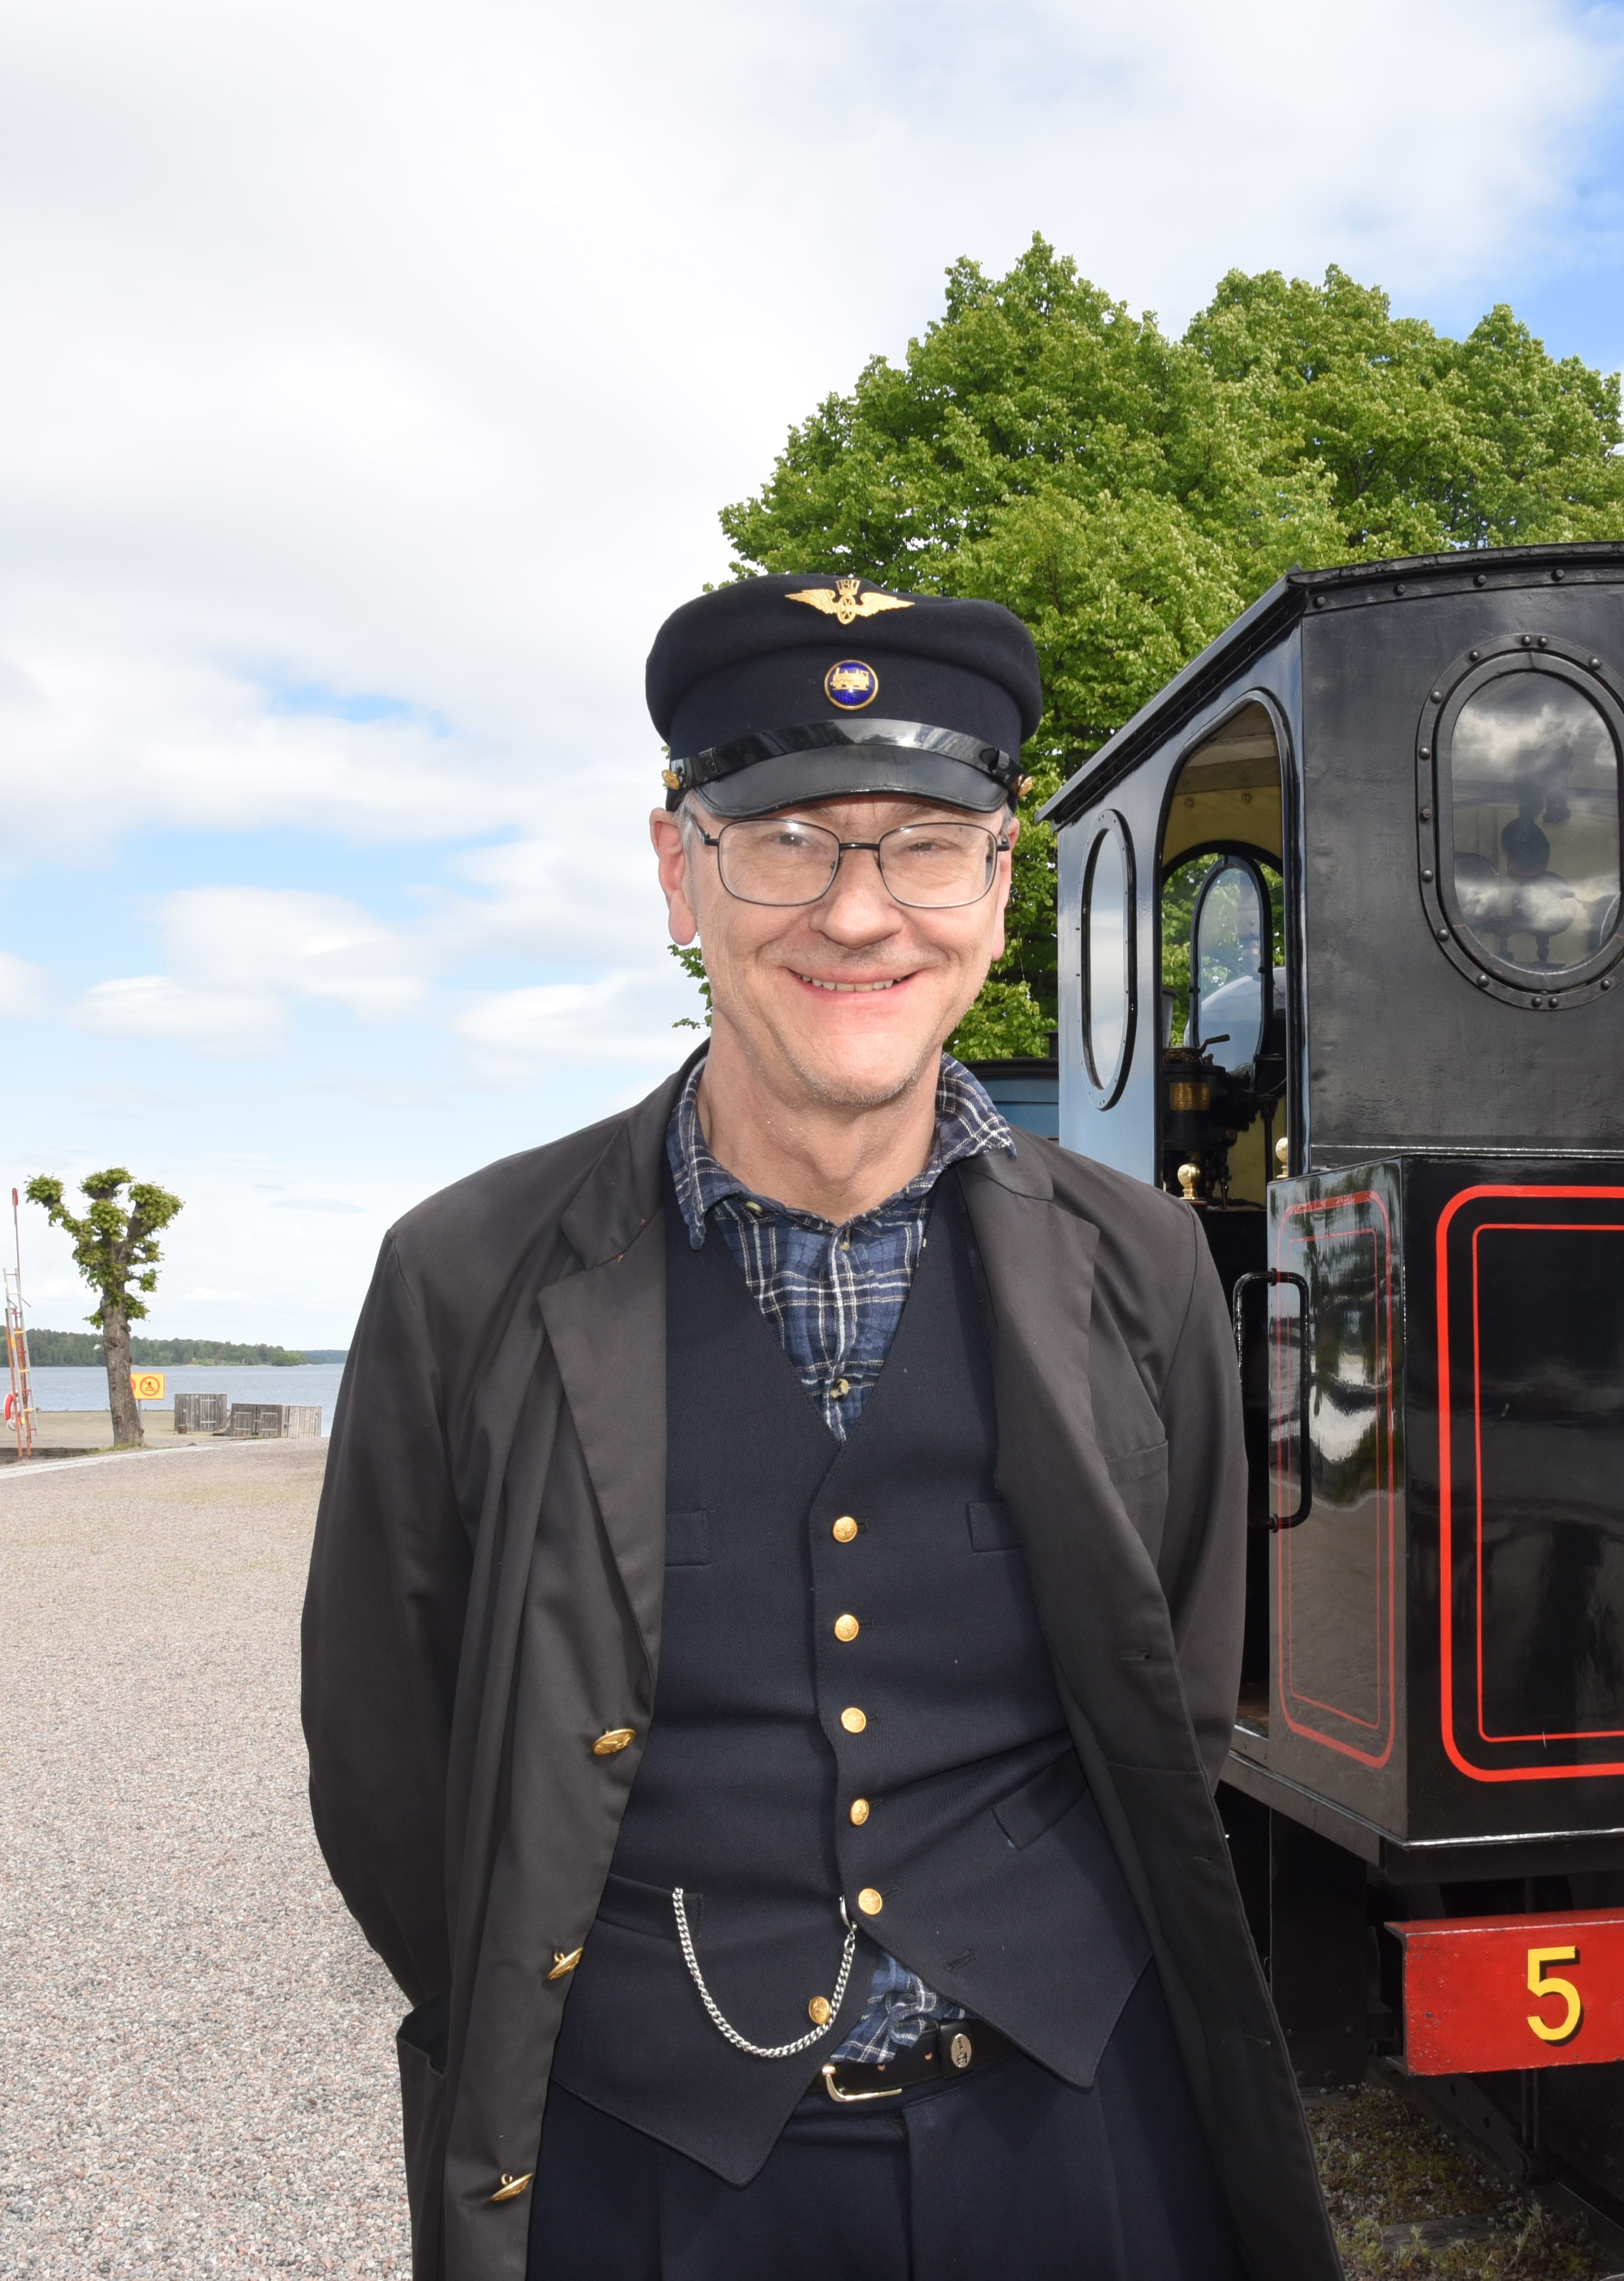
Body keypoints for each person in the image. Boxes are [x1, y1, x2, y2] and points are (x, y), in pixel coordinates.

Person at [303, 572, 1338, 2281]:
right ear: (677, 870)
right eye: (784, 838)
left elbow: (1177, 1679)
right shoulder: (463, 1276)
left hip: (1079, 2140)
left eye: (923, 844)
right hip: (649, 2173)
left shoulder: (1142, 1261)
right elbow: (387, 1773)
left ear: (996, 882)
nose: (859, 913)